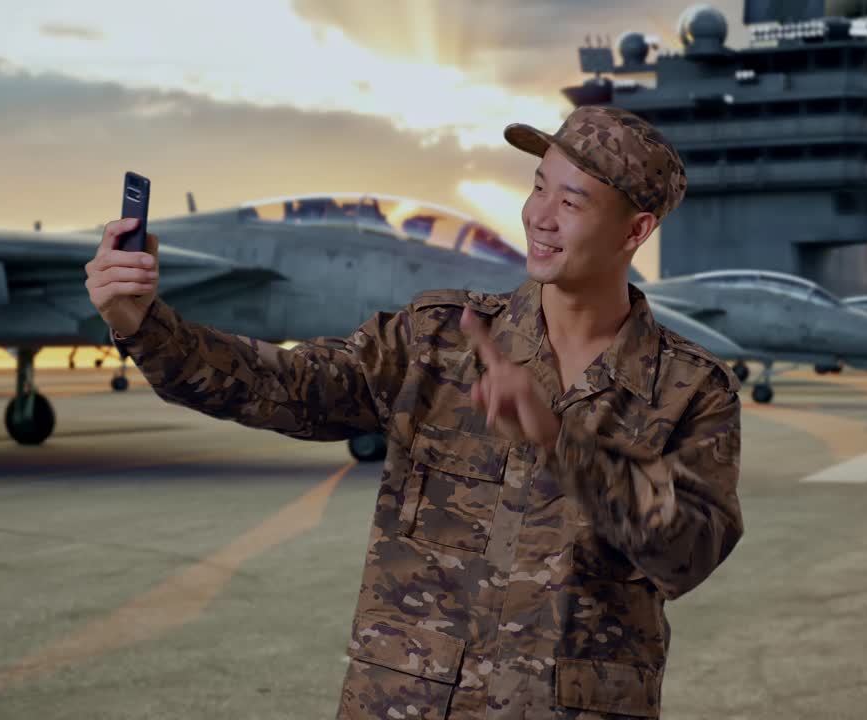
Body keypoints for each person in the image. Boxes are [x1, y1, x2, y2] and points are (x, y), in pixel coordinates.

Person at [85, 105, 743, 719]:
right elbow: (276, 384)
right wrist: (145, 325)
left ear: (636, 230)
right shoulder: (437, 339)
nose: (541, 216)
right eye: (540, 186)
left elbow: (688, 554)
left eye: (571, 201)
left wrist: (563, 442)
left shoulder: (691, 389)